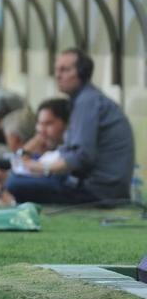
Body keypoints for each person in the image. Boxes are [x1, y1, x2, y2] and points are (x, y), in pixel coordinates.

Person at [7, 50, 136, 205]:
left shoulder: (87, 103)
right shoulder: (87, 99)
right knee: (22, 174)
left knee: (15, 183)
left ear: (82, 73)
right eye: (56, 69)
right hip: (103, 186)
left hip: (98, 191)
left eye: (65, 70)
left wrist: (42, 168)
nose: (58, 75)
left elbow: (81, 157)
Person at [0, 98, 69, 204]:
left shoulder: (66, 150)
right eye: (40, 124)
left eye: (48, 124)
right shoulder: (50, 151)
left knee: (13, 183)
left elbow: (22, 165)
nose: (41, 130)